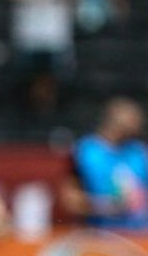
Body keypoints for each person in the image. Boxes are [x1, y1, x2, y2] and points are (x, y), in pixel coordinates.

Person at [61, 97, 147, 233]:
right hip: (101, 235)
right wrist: (107, 206)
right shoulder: (85, 151)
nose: (137, 126)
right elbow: (70, 200)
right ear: (113, 120)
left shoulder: (139, 152)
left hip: (140, 234)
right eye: (132, 120)